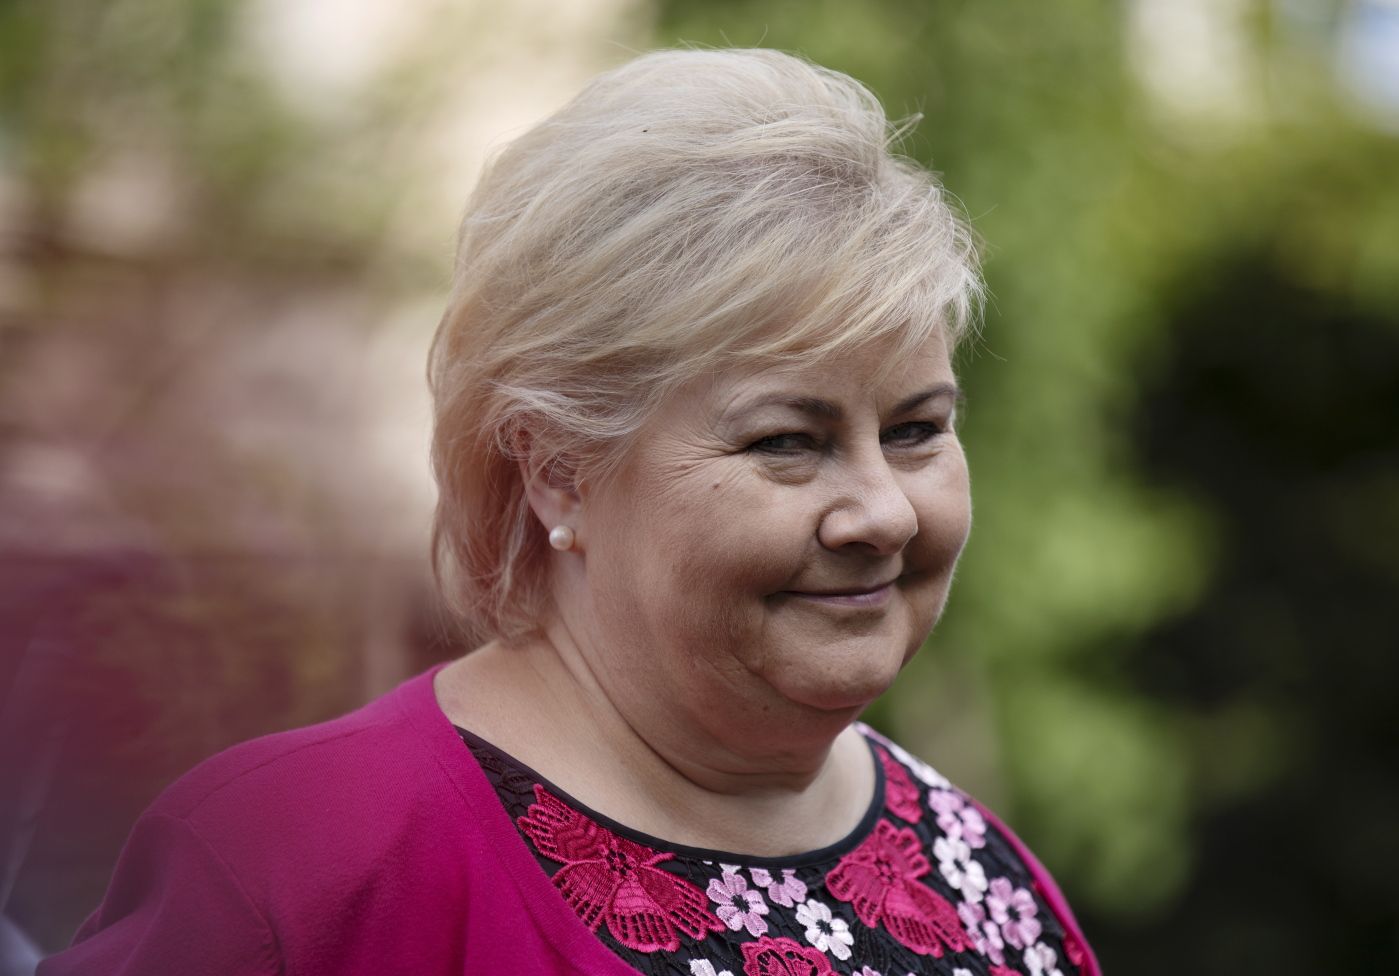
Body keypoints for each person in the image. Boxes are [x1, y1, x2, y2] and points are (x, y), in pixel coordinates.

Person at [39, 49, 1100, 976]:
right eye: (788, 440)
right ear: (555, 469)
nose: (882, 511)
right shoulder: (303, 867)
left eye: (915, 428)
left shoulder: (983, 883)